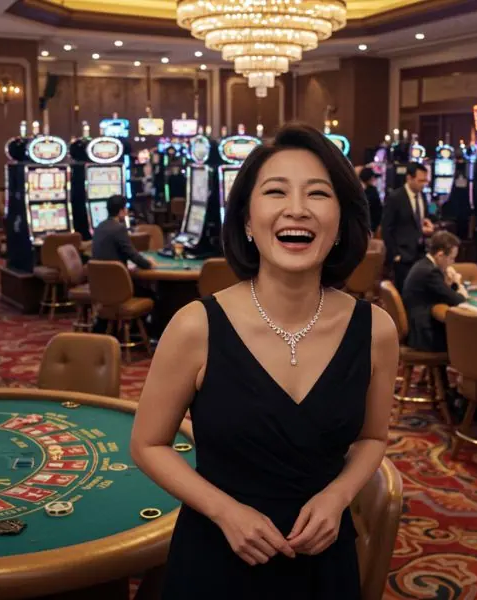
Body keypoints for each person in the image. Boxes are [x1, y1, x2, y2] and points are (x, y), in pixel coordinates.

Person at [131, 123, 398, 599]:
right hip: (218, 558)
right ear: (248, 221)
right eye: (276, 191)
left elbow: (373, 438)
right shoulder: (197, 325)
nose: (297, 209)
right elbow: (149, 444)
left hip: (324, 562)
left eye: (318, 194)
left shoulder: (376, 329)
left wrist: (338, 496)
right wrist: (224, 511)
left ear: (340, 222)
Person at [91, 194, 154, 334]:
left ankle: (126, 329)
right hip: (118, 286)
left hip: (100, 286)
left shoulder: (99, 227)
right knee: (152, 293)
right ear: (121, 211)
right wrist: (148, 264)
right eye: (125, 208)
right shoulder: (118, 228)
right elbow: (131, 254)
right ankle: (139, 331)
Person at [402, 230, 468, 353]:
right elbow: (458, 300)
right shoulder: (430, 272)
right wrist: (458, 284)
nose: (452, 263)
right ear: (440, 255)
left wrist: (448, 283)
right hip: (424, 335)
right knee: (466, 339)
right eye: (452, 258)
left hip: (416, 329)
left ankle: (442, 373)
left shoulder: (423, 265)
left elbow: (442, 294)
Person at [382, 162, 434, 290]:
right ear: (409, 178)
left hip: (421, 252)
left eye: (425, 180)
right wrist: (395, 254)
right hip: (403, 255)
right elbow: (386, 228)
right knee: (404, 292)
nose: (424, 184)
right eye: (420, 180)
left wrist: (428, 224)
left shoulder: (423, 196)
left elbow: (421, 220)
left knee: (419, 291)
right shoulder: (395, 197)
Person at [358, 167, 382, 234]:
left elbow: (378, 209)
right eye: (372, 177)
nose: (374, 179)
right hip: (359, 225)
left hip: (371, 226)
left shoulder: (373, 190)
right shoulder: (357, 190)